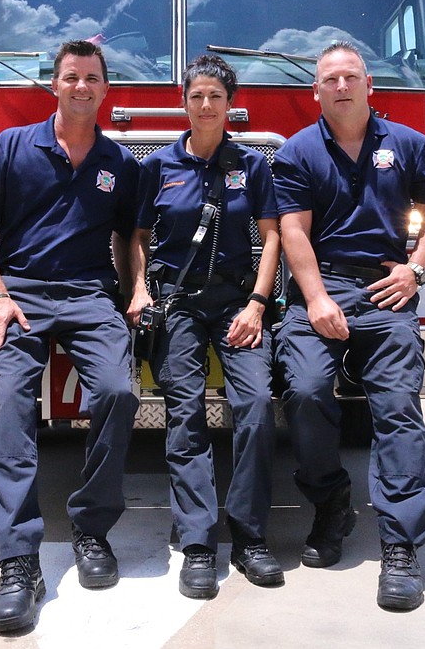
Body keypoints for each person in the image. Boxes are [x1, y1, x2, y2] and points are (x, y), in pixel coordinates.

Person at [0, 39, 140, 633]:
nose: (81, 86)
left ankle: (91, 529)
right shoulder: (12, 146)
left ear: (105, 88)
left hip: (91, 293)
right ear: (55, 83)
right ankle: (18, 562)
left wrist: (130, 291)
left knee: (119, 392)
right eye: (71, 76)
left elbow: (128, 239)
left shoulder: (120, 163)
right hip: (23, 294)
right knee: (13, 405)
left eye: (92, 77)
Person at [271, 41, 425, 611]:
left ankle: (399, 545)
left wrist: (416, 269)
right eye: (331, 79)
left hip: (384, 287)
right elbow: (294, 231)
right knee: (303, 391)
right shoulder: (297, 152)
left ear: (369, 84)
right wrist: (317, 298)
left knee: (396, 405)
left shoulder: (409, 144)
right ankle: (331, 505)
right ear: (316, 91)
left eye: (351, 77)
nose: (341, 86)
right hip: (320, 288)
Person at [127, 55, 283, 600]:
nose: (206, 105)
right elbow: (138, 239)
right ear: (184, 102)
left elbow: (272, 238)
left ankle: (249, 535)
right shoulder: (157, 167)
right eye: (197, 96)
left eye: (216, 96)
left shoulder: (253, 167)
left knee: (257, 407)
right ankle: (197, 541)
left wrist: (259, 305)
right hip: (179, 305)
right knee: (185, 413)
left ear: (230, 105)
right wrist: (141, 289)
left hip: (239, 304)